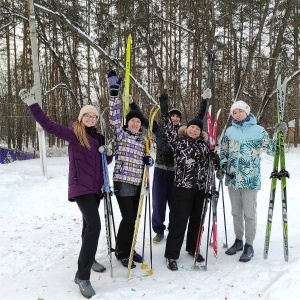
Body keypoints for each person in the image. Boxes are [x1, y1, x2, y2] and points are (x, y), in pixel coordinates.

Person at [19, 88, 112, 299]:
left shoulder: (98, 137)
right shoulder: (74, 133)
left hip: (95, 189)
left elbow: (105, 163)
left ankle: (89, 259)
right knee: (95, 226)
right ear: (81, 117)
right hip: (81, 188)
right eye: (87, 115)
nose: (90, 118)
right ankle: (82, 275)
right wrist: (33, 104)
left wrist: (108, 152)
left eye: (93, 116)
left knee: (89, 226)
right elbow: (48, 125)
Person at [129, 88, 211, 244]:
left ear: (180, 120)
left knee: (176, 205)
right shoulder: (159, 128)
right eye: (172, 115)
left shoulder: (183, 134)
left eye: (177, 116)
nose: (174, 117)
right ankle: (159, 230)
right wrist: (133, 104)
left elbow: (198, 119)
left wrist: (204, 101)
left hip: (177, 174)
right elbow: (143, 119)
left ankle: (173, 228)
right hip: (160, 170)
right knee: (158, 204)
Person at [219, 100, 288, 262]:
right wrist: (222, 167)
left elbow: (273, 149)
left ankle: (249, 244)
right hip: (232, 179)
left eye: (240, 111)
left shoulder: (258, 130)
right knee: (236, 212)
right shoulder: (229, 131)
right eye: (234, 112)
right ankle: (238, 241)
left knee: (249, 213)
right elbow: (224, 151)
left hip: (250, 179)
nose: (237, 114)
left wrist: (280, 134)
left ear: (247, 112)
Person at [107, 70, 154, 269]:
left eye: (137, 121)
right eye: (132, 121)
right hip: (123, 181)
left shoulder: (143, 140)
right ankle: (121, 251)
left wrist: (148, 160)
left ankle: (130, 247)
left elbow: (148, 160)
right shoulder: (121, 134)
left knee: (134, 218)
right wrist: (114, 94)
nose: (135, 123)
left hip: (138, 183)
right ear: (127, 123)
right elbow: (114, 117)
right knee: (128, 217)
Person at [158, 92, 210, 271]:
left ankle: (193, 248)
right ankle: (171, 255)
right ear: (187, 128)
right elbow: (168, 129)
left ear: (200, 132)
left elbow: (210, 158)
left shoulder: (203, 145)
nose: (194, 130)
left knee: (197, 220)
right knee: (180, 221)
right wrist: (165, 114)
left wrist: (215, 159)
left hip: (200, 188)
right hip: (183, 188)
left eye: (197, 128)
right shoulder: (178, 141)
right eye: (191, 127)